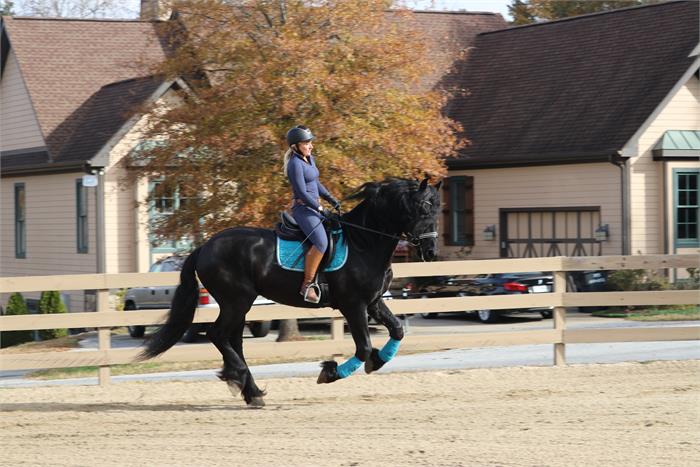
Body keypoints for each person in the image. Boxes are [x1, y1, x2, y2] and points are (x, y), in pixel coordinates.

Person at [283, 125, 340, 303]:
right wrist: (319, 207)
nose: (311, 146)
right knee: (321, 243)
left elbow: (316, 183)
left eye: (310, 142)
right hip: (303, 210)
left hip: (314, 208)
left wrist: (331, 199)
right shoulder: (294, 164)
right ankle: (307, 285)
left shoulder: (309, 159)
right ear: (295, 146)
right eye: (307, 143)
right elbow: (301, 191)